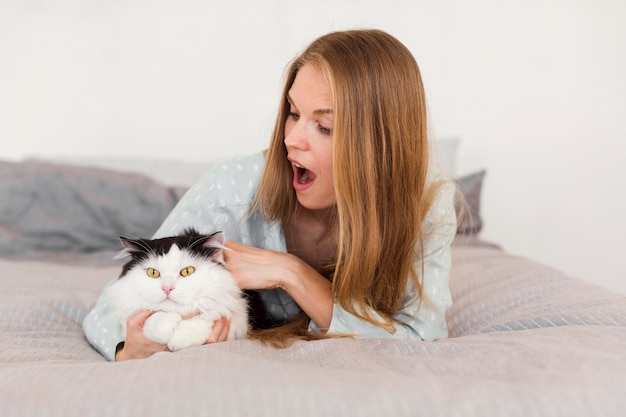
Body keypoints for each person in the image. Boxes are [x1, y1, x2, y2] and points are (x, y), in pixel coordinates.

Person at [82, 28, 457, 361]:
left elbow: (421, 335)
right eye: (293, 114)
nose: (291, 140)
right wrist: (128, 348)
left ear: (380, 145)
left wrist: (293, 273)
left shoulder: (427, 202)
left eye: (324, 126)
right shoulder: (230, 187)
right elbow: (105, 312)